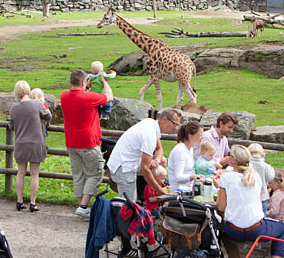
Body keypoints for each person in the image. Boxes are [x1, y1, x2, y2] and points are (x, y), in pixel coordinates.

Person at [216, 145, 284, 258]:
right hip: (256, 229)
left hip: (233, 231)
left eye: (229, 155)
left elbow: (221, 207)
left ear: (233, 160)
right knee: (282, 228)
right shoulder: (256, 177)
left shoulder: (226, 178)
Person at [60, 69, 113, 218]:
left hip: (72, 142)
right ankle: (83, 206)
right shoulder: (88, 98)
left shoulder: (64, 96)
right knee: (95, 173)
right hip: (88, 142)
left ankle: (81, 206)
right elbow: (109, 97)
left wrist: (85, 87)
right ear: (84, 82)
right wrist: (104, 82)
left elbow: (77, 95)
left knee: (78, 175)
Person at [107, 109, 180, 202]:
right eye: (175, 124)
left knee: (162, 160)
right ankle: (151, 195)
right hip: (123, 167)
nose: (176, 128)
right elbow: (144, 168)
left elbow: (159, 149)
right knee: (129, 205)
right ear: (165, 119)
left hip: (131, 162)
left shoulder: (152, 123)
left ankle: (150, 194)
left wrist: (156, 161)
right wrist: (159, 190)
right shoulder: (149, 134)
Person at [9, 81, 52, 213]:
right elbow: (48, 115)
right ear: (28, 90)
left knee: (20, 173)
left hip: (21, 143)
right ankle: (32, 203)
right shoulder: (37, 104)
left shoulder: (14, 107)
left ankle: (19, 201)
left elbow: (11, 126)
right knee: (34, 174)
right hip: (36, 143)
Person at [168, 120, 204, 192]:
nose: (202, 137)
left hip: (188, 189)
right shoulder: (180, 151)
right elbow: (178, 177)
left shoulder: (190, 148)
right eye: (200, 135)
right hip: (178, 191)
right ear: (191, 136)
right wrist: (193, 177)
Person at [248, 143, 275, 214]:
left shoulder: (247, 165)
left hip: (250, 194)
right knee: (263, 216)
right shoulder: (265, 166)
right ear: (262, 154)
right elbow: (271, 178)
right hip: (263, 195)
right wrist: (271, 169)